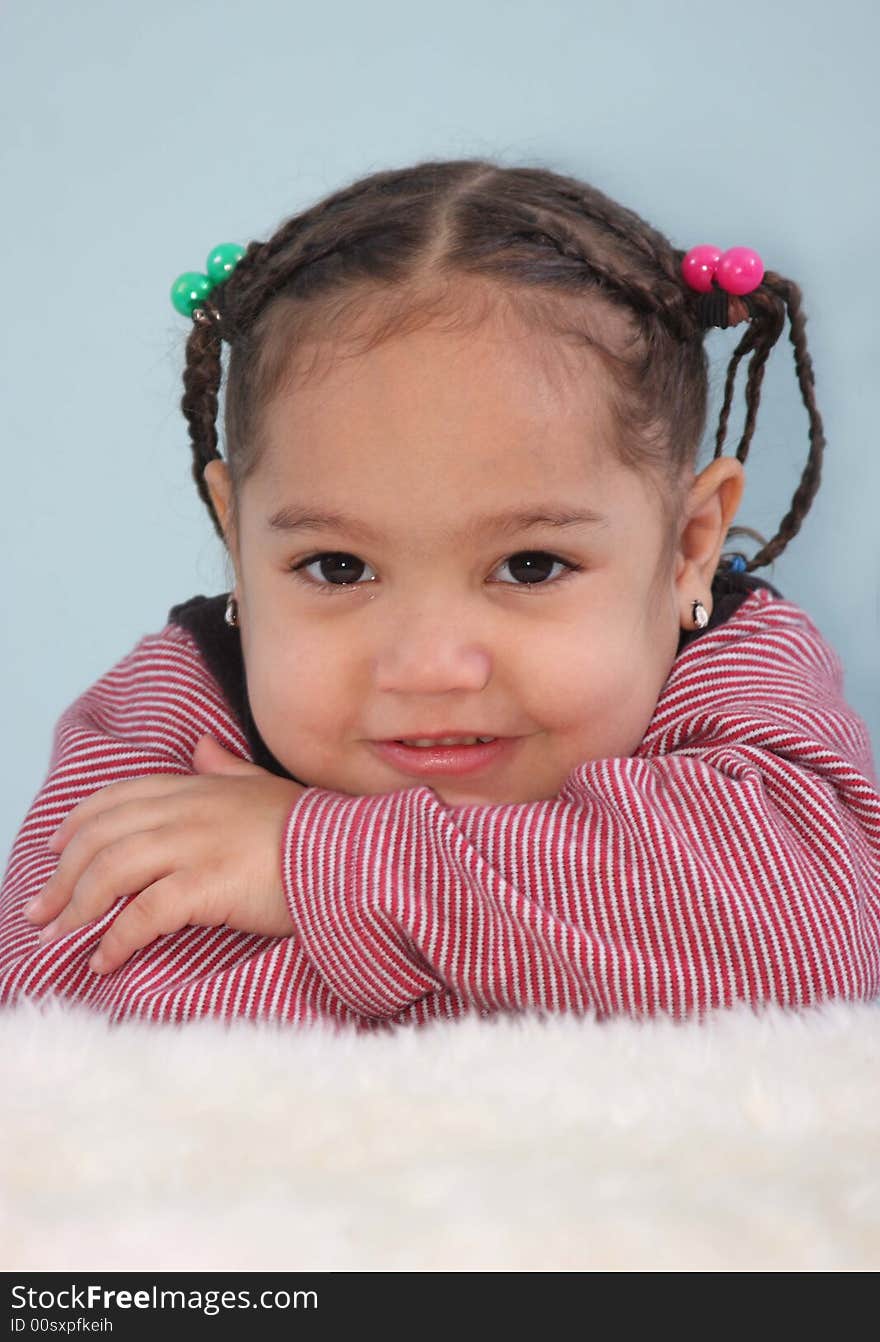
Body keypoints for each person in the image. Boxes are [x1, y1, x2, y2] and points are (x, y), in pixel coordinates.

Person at [2, 158, 878, 1030]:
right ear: (236, 537)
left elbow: (812, 938)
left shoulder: (741, 672)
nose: (429, 667)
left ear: (688, 551)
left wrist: (312, 863)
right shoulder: (173, 704)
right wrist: (580, 943)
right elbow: (56, 1009)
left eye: (530, 565)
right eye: (338, 567)